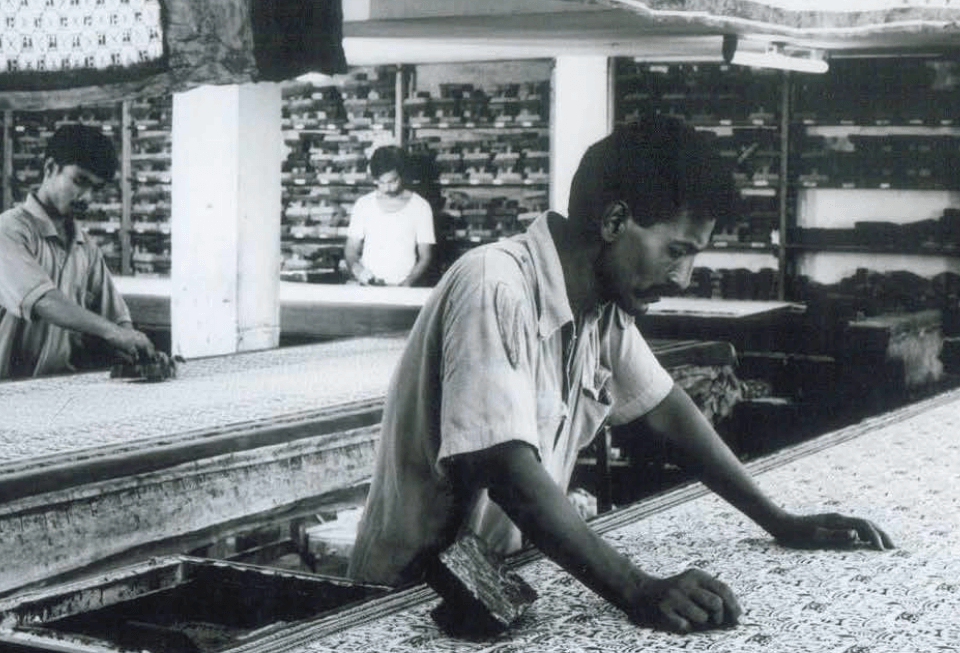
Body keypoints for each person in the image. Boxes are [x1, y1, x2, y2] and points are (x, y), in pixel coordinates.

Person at [348, 115, 894, 634]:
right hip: (404, 599)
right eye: (676, 251)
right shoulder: (496, 284)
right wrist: (637, 589)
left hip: (493, 587)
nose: (683, 277)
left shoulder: (599, 307)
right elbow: (506, 469)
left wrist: (780, 521)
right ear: (613, 221)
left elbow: (667, 411)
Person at [0, 124, 157, 380]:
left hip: (59, 388)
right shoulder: (9, 230)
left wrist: (135, 348)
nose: (87, 197)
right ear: (50, 167)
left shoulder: (87, 248)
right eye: (80, 181)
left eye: (96, 188)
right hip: (7, 391)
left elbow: (115, 318)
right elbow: (43, 301)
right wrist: (115, 333)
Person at [343, 145, 436, 287]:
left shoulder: (420, 206)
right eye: (381, 182)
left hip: (405, 286)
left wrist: (408, 283)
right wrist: (362, 275)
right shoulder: (363, 204)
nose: (387, 188)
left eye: (393, 181)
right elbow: (351, 251)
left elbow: (425, 256)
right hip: (368, 287)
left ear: (402, 175)